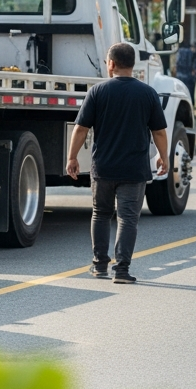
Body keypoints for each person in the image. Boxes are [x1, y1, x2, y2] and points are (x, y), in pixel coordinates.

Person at [66, 42, 169, 285]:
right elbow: (160, 132)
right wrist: (162, 156)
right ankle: (122, 270)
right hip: (134, 170)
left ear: (111, 64)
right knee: (128, 218)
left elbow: (81, 128)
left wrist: (72, 157)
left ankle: (100, 265)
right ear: (132, 65)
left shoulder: (98, 92)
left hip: (103, 168)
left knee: (101, 214)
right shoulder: (147, 93)